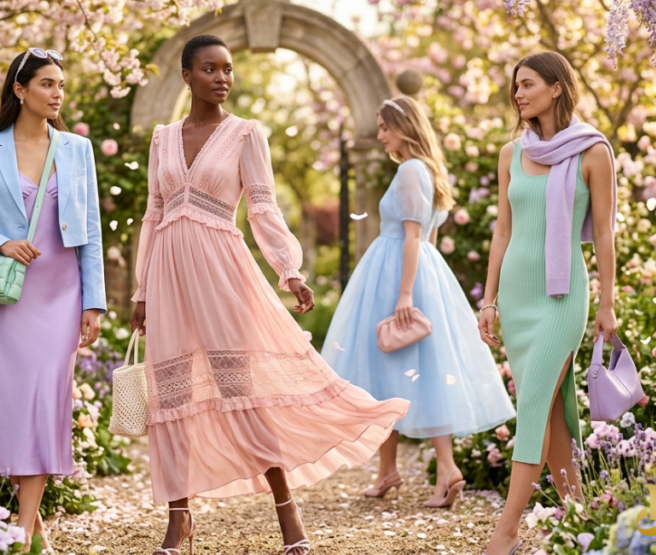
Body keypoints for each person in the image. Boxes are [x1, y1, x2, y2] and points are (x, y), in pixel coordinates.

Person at [130, 34, 410, 555]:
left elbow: (262, 209)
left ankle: (289, 518)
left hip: (222, 273)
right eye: (210, 69)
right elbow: (153, 213)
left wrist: (290, 270)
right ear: (186, 76)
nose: (222, 78)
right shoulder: (163, 137)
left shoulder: (245, 134)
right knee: (172, 397)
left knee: (245, 394)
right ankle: (178, 519)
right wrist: (141, 289)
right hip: (167, 276)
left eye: (228, 69)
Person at [321, 96, 515, 508]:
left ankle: (444, 470)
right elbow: (424, 237)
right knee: (405, 370)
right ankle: (393, 470)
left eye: (385, 128)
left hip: (398, 273)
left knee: (394, 368)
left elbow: (412, 235)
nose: (379, 136)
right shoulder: (424, 170)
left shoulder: (411, 170)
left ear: (404, 128)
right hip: (416, 269)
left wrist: (404, 293)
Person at [0, 48, 106, 552]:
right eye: (46, 83)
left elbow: (91, 234)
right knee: (15, 406)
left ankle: (21, 530)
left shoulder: (78, 151)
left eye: (61, 84)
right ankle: (35, 530)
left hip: (61, 296)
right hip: (9, 299)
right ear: (20, 90)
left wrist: (93, 302)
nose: (57, 93)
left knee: (44, 403)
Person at [477, 51, 617, 555]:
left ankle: (506, 530)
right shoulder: (510, 153)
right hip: (516, 297)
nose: (518, 93)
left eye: (527, 83)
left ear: (556, 87)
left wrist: (607, 303)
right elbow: (503, 230)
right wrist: (488, 300)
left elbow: (603, 232)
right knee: (552, 413)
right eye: (515, 86)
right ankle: (582, 521)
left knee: (534, 403)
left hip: (562, 298)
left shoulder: (592, 152)